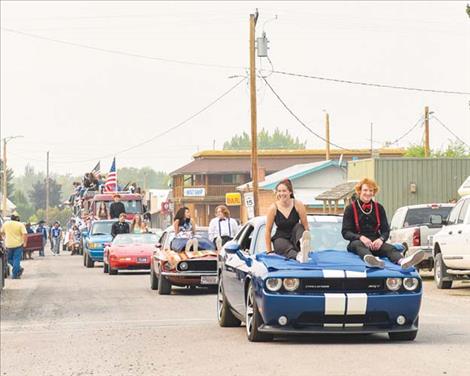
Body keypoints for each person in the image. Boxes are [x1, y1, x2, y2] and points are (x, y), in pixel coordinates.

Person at [341, 178, 425, 269]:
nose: (368, 193)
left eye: (371, 190)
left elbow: (385, 230)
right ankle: (372, 260)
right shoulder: (350, 209)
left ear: (374, 192)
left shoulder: (379, 208)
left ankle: (403, 261)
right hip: (357, 243)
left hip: (375, 244)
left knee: (390, 248)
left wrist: (380, 240)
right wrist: (361, 237)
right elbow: (345, 232)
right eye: (365, 190)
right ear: (359, 191)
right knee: (357, 244)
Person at [265, 179, 311, 262]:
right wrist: (269, 251)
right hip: (281, 238)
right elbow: (268, 230)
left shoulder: (298, 204)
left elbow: (305, 226)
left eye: (284, 191)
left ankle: (303, 244)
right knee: (281, 243)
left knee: (299, 226)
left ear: (290, 192)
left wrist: (308, 244)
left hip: (296, 237)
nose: (281, 193)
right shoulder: (273, 208)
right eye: (279, 191)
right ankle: (298, 256)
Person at [0, 214, 27, 279]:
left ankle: (18, 269)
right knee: (16, 259)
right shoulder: (20, 224)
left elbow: (1, 233)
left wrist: (2, 238)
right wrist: (25, 243)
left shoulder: (6, 224)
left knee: (9, 259)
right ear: (17, 219)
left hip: (8, 245)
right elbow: (25, 234)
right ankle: (15, 274)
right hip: (18, 245)